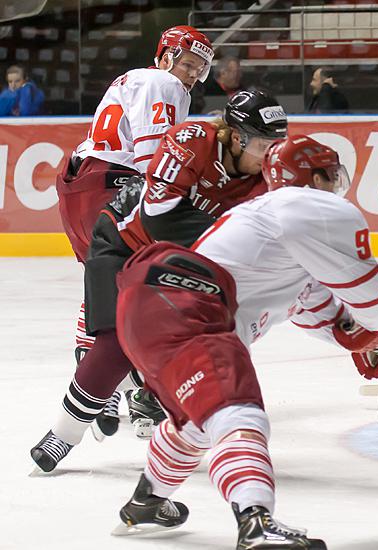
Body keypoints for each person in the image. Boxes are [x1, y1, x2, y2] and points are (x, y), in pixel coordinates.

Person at [110, 135, 378, 548]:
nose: (335, 186)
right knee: (238, 412)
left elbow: (322, 312)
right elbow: (371, 299)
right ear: (312, 178)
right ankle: (256, 521)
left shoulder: (272, 227)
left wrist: (362, 343)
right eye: (329, 176)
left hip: (149, 306)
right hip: (187, 302)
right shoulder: (311, 207)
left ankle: (147, 500)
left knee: (197, 421)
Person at [30, 90, 288, 473]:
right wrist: (236, 238)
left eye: (278, 144)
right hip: (121, 238)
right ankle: (64, 433)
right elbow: (159, 214)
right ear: (237, 137)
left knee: (184, 340)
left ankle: (140, 382)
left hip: (175, 259)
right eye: (265, 144)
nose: (272, 155)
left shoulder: (268, 181)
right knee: (114, 342)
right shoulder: (191, 141)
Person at [53, 25, 214, 436]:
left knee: (110, 285)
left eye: (200, 68)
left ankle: (103, 378)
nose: (193, 74)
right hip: (114, 185)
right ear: (165, 56)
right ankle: (139, 393)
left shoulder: (134, 79)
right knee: (152, 289)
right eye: (189, 63)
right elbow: (153, 156)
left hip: (81, 187)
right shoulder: (164, 82)